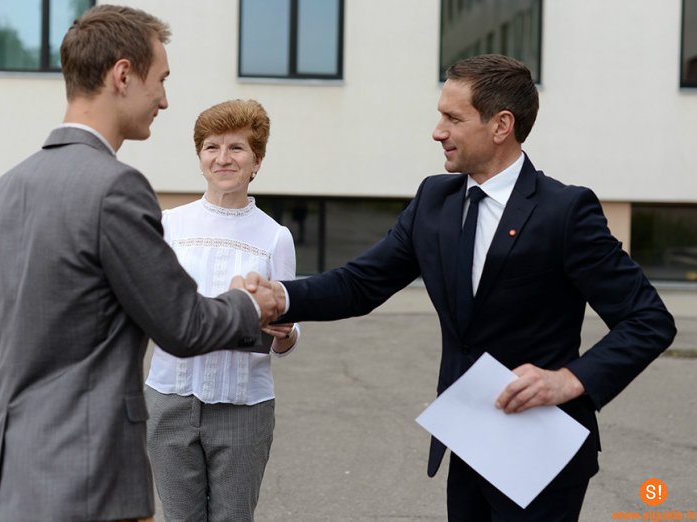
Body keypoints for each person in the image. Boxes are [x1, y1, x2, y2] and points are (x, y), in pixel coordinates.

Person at [249, 54, 676, 521]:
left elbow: (648, 320)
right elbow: (360, 283)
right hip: (468, 441)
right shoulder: (435, 200)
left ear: (501, 125)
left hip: (542, 454)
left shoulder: (565, 212)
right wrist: (281, 297)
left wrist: (568, 381)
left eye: (453, 118)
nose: (438, 131)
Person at [0, 6, 283, 522]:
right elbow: (183, 325)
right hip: (88, 473)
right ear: (123, 75)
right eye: (160, 80)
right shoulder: (116, 188)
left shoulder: (4, 190)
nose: (164, 100)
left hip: (10, 473)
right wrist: (248, 304)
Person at [145, 99, 300, 522]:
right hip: (169, 400)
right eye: (212, 147)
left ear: (257, 161)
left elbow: (288, 334)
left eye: (237, 148)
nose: (223, 158)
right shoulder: (168, 225)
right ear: (200, 158)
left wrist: (285, 332)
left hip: (244, 408)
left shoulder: (275, 237)